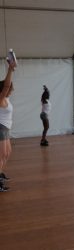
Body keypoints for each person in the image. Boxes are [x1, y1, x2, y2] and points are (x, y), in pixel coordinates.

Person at [0, 62, 16, 191]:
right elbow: (6, 85)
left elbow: (7, 85)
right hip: (1, 128)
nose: (11, 90)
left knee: (7, 154)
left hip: (5, 129)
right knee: (2, 155)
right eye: (10, 89)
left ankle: (0, 174)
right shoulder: (1, 98)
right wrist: (10, 69)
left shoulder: (7, 99)